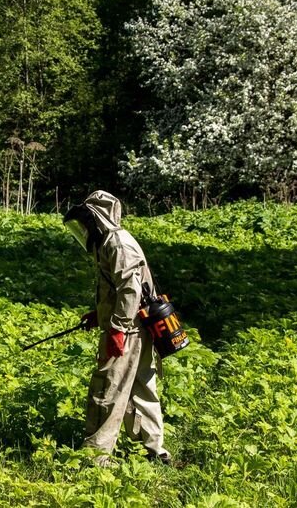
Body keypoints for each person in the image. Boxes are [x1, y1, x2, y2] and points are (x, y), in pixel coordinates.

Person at [62, 190, 171, 466]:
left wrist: (117, 329)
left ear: (97, 218)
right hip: (133, 325)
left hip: (129, 328)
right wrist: (99, 314)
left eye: (86, 223)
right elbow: (117, 289)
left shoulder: (118, 244)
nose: (84, 230)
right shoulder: (109, 242)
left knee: (107, 386)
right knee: (140, 386)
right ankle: (154, 451)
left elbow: (131, 290)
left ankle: (95, 456)